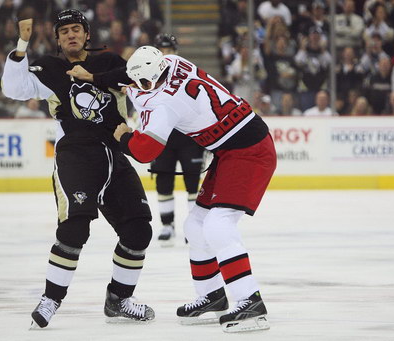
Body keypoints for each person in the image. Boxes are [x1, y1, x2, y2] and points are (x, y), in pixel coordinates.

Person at [71, 46, 276, 333]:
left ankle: (249, 300)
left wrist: (124, 136)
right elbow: (128, 75)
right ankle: (212, 294)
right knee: (195, 225)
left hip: (248, 151)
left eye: (141, 83)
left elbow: (145, 151)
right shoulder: (171, 61)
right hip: (232, 147)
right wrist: (93, 76)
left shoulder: (164, 105)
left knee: (218, 225)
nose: (135, 86)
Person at [1, 9, 155, 328]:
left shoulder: (110, 63)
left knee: (139, 229)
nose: (71, 34)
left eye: (76, 29)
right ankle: (51, 299)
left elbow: (142, 86)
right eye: (64, 31)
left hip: (115, 153)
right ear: (57, 39)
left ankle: (119, 299)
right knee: (75, 228)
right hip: (76, 154)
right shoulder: (52, 69)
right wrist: (21, 45)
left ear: (87, 35)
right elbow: (13, 90)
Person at [148, 33, 206, 246]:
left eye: (169, 50)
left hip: (189, 137)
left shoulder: (188, 73)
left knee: (193, 183)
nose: (166, 55)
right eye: (162, 50)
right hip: (162, 138)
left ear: (176, 52)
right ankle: (167, 225)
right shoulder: (146, 76)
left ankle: (194, 227)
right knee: (164, 181)